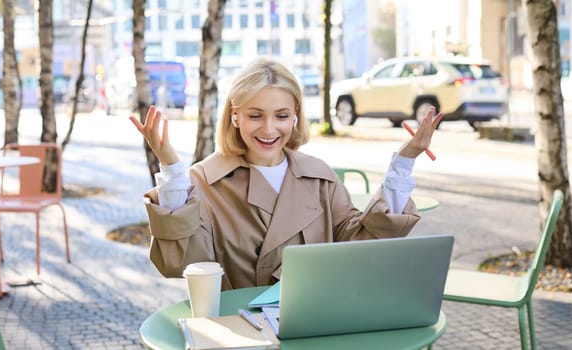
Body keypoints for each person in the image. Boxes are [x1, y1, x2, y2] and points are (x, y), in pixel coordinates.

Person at [129, 57, 443, 290]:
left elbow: (360, 244)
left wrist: (404, 162)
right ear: (235, 116)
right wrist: (171, 167)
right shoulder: (203, 182)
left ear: (295, 117)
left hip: (314, 321)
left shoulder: (320, 176)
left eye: (281, 115)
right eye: (255, 115)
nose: (269, 129)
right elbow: (180, 263)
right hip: (237, 330)